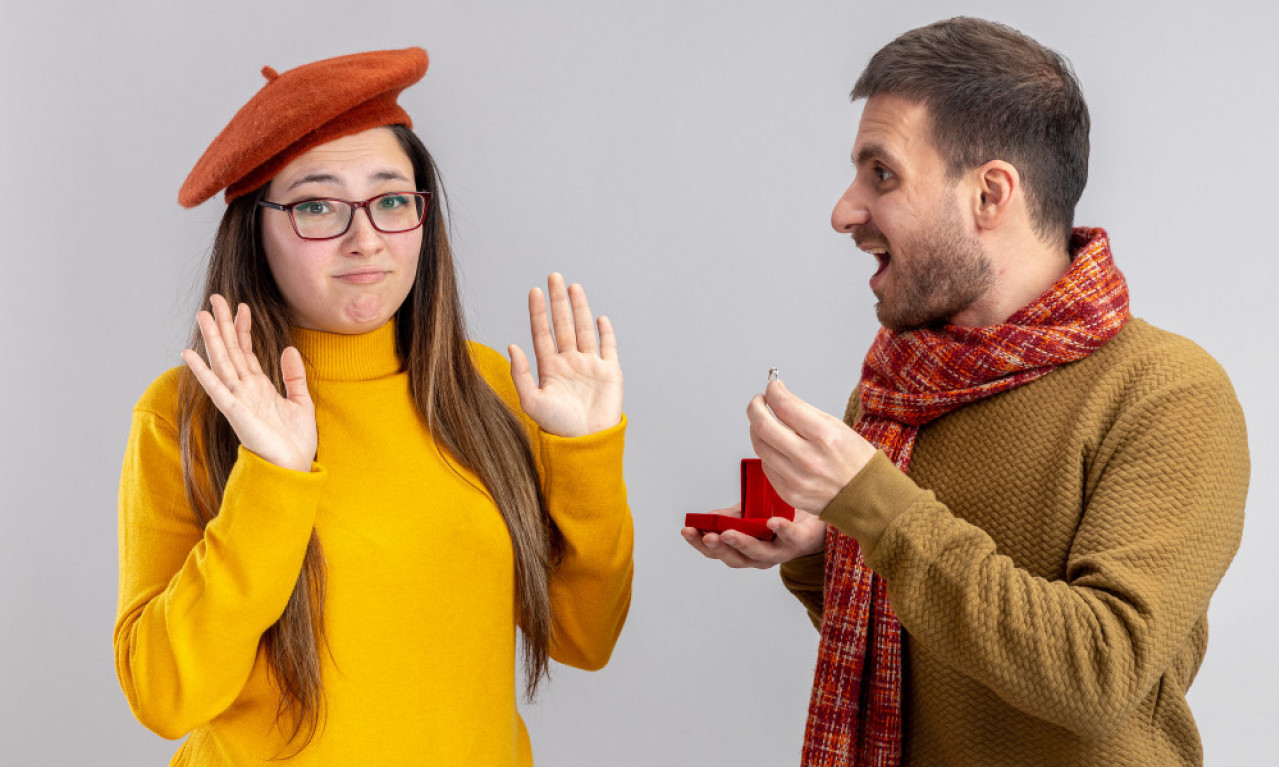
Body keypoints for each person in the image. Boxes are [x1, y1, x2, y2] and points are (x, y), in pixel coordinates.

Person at [683, 17, 1248, 767]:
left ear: (989, 194)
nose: (844, 211)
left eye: (880, 174)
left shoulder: (1167, 392)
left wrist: (874, 507)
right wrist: (824, 550)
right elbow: (913, 666)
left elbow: (1095, 675)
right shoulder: (896, 389)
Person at [114, 48, 633, 766]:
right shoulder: (188, 415)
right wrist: (270, 478)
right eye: (317, 206)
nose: (365, 240)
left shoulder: (493, 391)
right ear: (253, 229)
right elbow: (165, 695)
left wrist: (586, 456)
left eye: (391, 200)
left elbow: (585, 638)